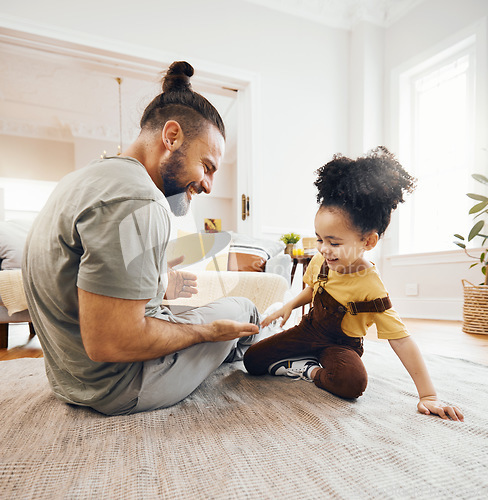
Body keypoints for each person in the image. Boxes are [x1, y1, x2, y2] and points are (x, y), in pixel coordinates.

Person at [22, 61, 260, 416]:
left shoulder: (80, 180)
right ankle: (254, 361)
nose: (208, 184)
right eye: (207, 166)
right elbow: (112, 342)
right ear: (172, 136)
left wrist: (160, 291)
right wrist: (206, 333)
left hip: (68, 378)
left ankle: (220, 353)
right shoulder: (138, 200)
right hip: (120, 385)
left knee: (192, 312)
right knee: (243, 308)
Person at [244, 147, 464, 421]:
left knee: (352, 383)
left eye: (334, 242)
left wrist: (428, 395)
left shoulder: (371, 287)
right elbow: (313, 290)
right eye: (319, 239)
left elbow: (401, 340)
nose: (324, 248)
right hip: (308, 330)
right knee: (252, 361)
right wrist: (287, 306)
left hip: (342, 345)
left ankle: (307, 370)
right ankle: (301, 359)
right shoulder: (321, 261)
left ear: (368, 242)